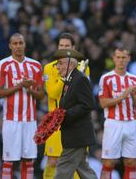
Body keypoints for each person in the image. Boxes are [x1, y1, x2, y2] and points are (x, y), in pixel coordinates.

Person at [0, 33, 45, 179]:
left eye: (20, 43)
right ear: (10, 46)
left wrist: (30, 90)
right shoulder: (3, 65)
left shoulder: (35, 66)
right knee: (9, 160)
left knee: (28, 159)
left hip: (30, 121)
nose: (18, 46)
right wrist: (20, 85)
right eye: (15, 43)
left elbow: (41, 95)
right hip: (11, 120)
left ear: (25, 44)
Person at [43, 32, 89, 179]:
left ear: (73, 48)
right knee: (52, 162)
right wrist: (68, 75)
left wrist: (75, 73)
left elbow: (81, 97)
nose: (64, 49)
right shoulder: (49, 68)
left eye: (67, 46)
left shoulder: (83, 68)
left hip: (74, 122)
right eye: (61, 46)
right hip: (55, 124)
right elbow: (53, 93)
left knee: (76, 164)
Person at [52, 48, 97, 179]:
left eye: (60, 63)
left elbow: (88, 104)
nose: (57, 67)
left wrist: (64, 114)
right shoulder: (71, 79)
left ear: (70, 64)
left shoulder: (80, 79)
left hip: (76, 136)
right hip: (75, 135)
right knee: (84, 170)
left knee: (62, 170)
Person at [98, 47, 136, 179]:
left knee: (131, 161)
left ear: (128, 59)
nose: (121, 60)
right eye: (118, 57)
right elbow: (103, 103)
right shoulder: (106, 78)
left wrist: (133, 96)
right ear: (113, 59)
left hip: (131, 123)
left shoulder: (134, 79)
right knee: (109, 162)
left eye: (124, 57)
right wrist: (123, 96)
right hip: (113, 123)